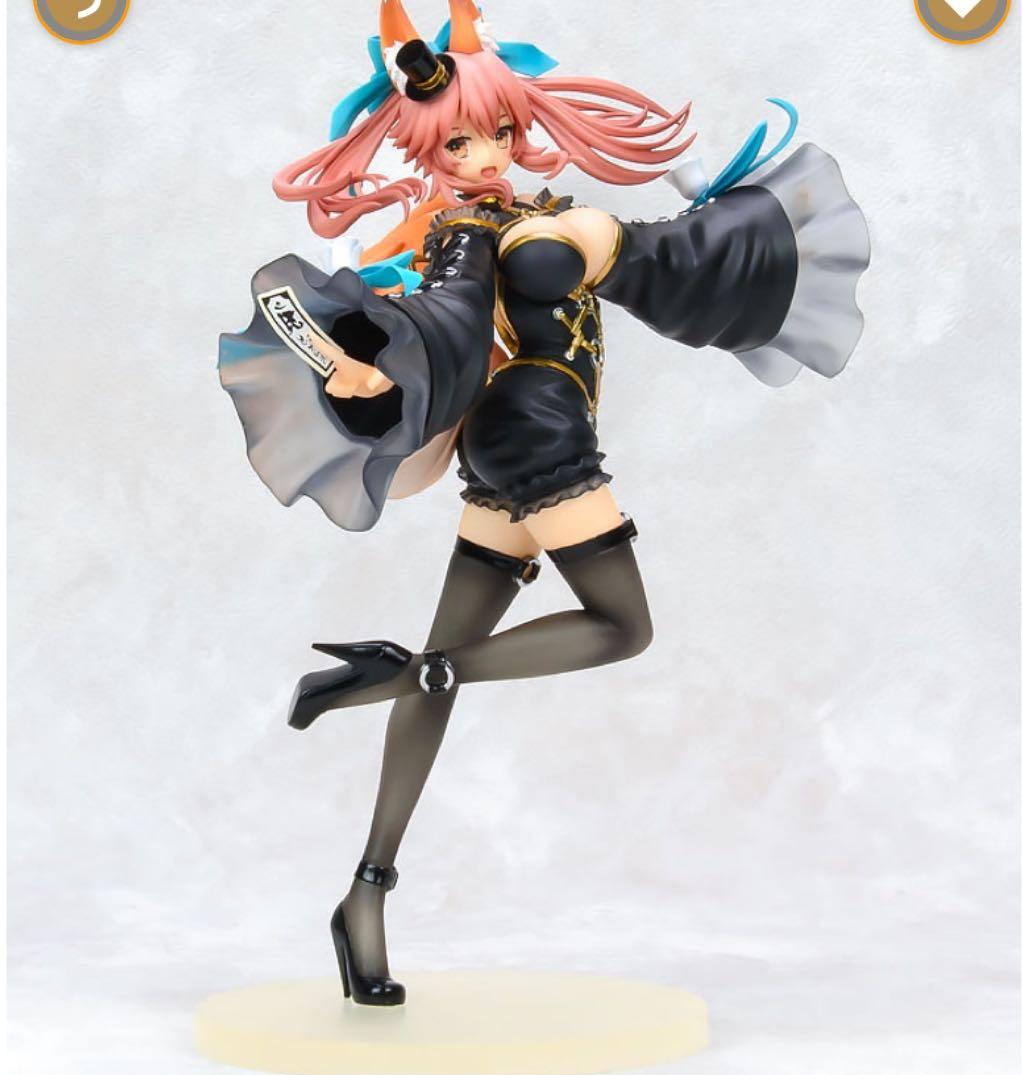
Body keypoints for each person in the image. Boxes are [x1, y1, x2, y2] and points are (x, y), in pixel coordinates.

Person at [219, 0, 870, 1006]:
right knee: (620, 626)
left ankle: (364, 894)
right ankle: (398, 673)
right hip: (540, 438)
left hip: (513, 442)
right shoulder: (462, 235)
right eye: (456, 143)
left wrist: (695, 216)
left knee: (457, 664)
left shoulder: (523, 211)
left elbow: (659, 262)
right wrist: (375, 376)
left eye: (496, 132)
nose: (482, 156)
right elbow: (446, 317)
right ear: (424, 149)